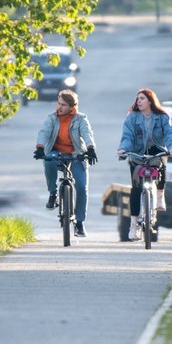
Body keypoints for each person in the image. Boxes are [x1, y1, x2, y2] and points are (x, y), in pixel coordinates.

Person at [33, 89, 97, 237]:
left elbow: (87, 133)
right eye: (58, 103)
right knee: (49, 160)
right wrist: (40, 148)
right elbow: (44, 132)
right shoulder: (52, 118)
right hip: (57, 152)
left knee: (81, 187)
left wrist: (91, 148)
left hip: (76, 154)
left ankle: (79, 223)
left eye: (63, 104)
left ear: (71, 106)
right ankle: (53, 193)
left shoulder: (81, 119)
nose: (59, 107)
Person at [116, 88, 172, 241]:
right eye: (138, 99)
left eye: (142, 98)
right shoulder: (132, 117)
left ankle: (159, 196)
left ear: (150, 101)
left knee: (162, 162)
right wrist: (124, 149)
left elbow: (170, 133)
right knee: (136, 188)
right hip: (137, 152)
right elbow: (127, 135)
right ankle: (134, 224)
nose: (139, 101)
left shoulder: (162, 116)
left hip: (156, 149)